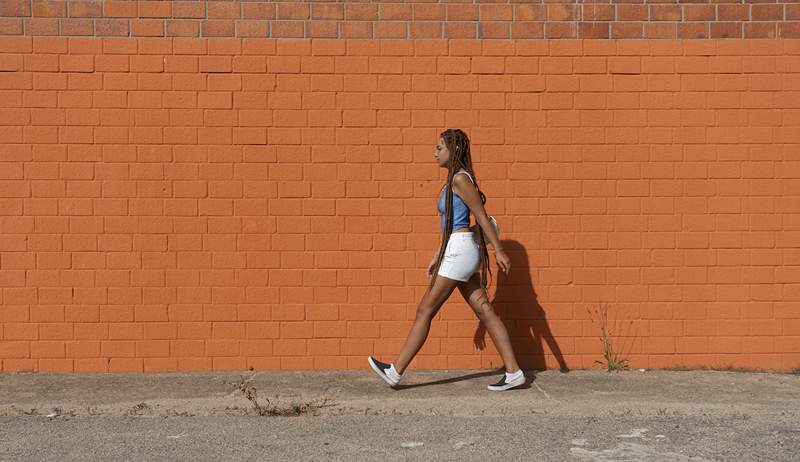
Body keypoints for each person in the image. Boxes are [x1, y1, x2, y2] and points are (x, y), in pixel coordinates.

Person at [368, 128, 525, 391]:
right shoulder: (454, 179)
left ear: (454, 151)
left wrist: (498, 250)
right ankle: (514, 372)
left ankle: (395, 371)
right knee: (485, 310)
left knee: (425, 309)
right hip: (457, 249)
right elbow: (450, 222)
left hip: (460, 250)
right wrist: (436, 255)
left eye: (440, 147)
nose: (435, 152)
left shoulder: (460, 180)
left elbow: (481, 217)